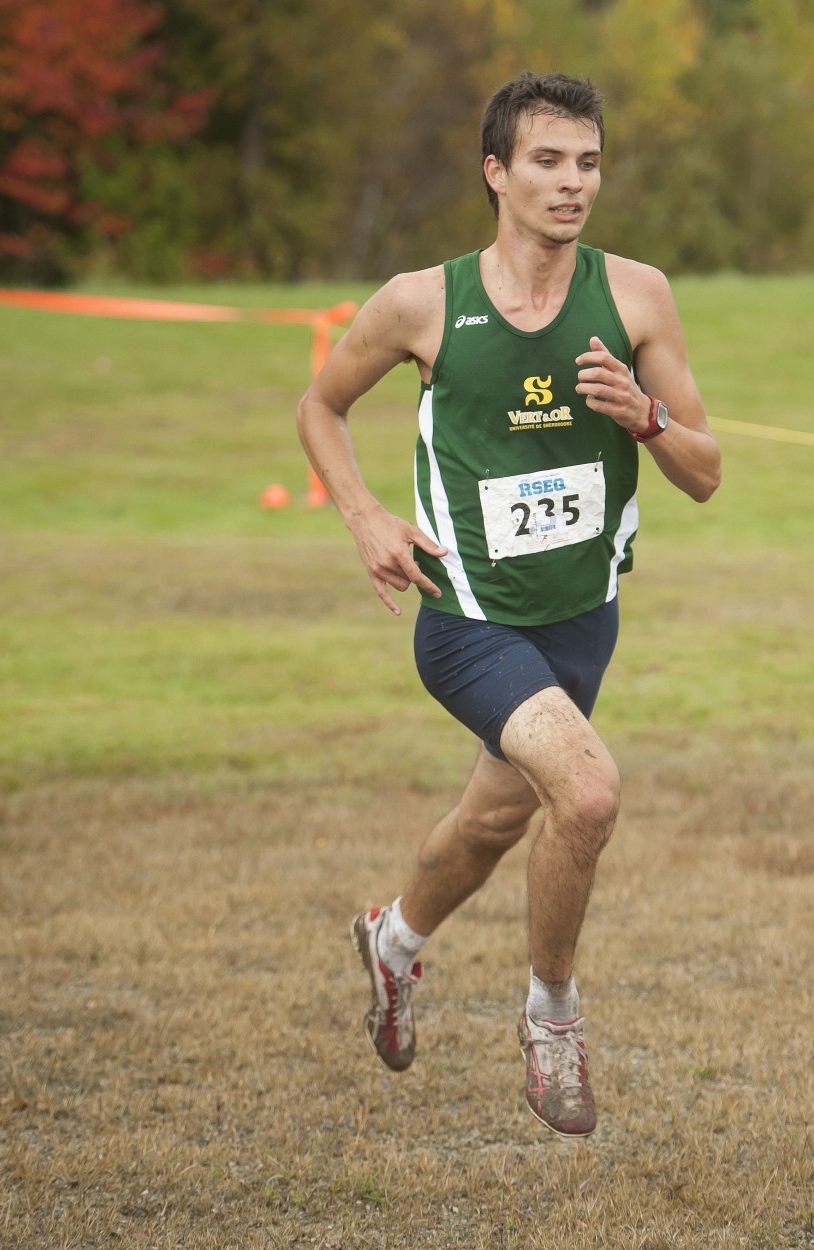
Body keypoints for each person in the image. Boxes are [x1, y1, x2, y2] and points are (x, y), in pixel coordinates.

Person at [296, 71, 721, 1138]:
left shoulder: (637, 295)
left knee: (496, 818)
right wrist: (364, 517)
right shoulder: (421, 302)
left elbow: (706, 471)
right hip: (468, 617)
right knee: (586, 792)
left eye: (588, 162)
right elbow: (320, 406)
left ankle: (391, 942)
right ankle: (552, 1019)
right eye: (547, 160)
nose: (573, 182)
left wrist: (646, 416)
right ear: (496, 171)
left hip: (583, 617)